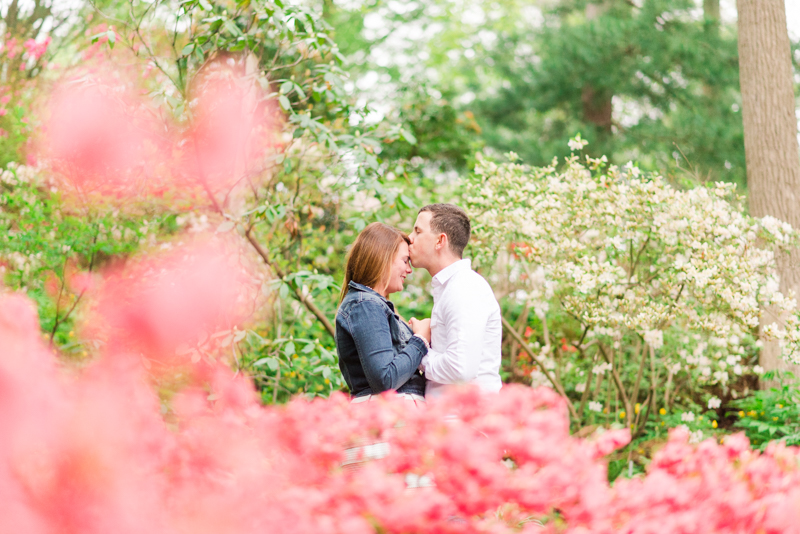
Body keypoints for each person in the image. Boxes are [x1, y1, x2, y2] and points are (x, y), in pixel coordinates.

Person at [408, 203, 502, 398]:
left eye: (418, 231)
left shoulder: (464, 287)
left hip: (465, 421)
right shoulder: (452, 287)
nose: (410, 238)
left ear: (440, 241)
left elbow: (460, 369)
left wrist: (419, 347)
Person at [336, 222, 430, 405]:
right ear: (383, 258)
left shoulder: (373, 305)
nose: (409, 270)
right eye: (405, 261)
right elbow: (385, 380)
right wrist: (420, 340)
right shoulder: (365, 305)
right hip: (390, 413)